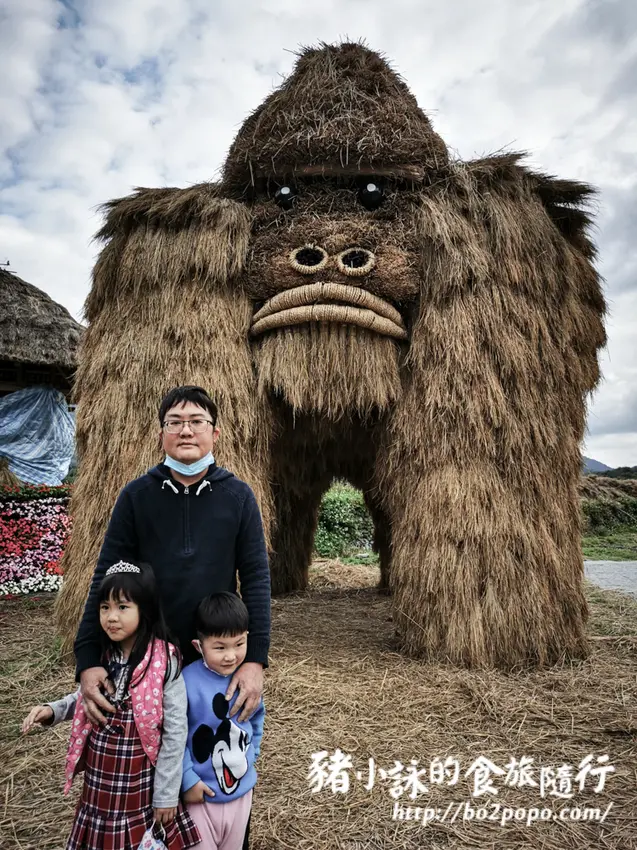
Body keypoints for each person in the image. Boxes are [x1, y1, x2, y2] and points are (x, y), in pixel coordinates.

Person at [74, 385, 269, 849]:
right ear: (161, 433)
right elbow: (106, 578)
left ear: (214, 433)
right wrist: (88, 661)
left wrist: (255, 658)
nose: (186, 429)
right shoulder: (136, 497)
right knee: (151, 777)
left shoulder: (238, 497)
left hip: (215, 664)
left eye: (197, 421)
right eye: (175, 421)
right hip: (148, 665)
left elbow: (257, 579)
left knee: (220, 766)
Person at [22, 561, 200, 850]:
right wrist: (53, 711)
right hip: (100, 780)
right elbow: (85, 697)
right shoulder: (104, 656)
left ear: (145, 609)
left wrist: (167, 795)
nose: (111, 617)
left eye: (122, 607)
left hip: (139, 786)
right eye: (105, 607)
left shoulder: (164, 661)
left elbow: (175, 732)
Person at [181, 593, 265, 850]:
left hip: (241, 793)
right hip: (201, 796)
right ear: (199, 646)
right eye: (220, 647)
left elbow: (257, 714)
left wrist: (253, 753)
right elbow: (174, 734)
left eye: (239, 644)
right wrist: (187, 779)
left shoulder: (246, 680)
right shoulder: (186, 682)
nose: (231, 656)